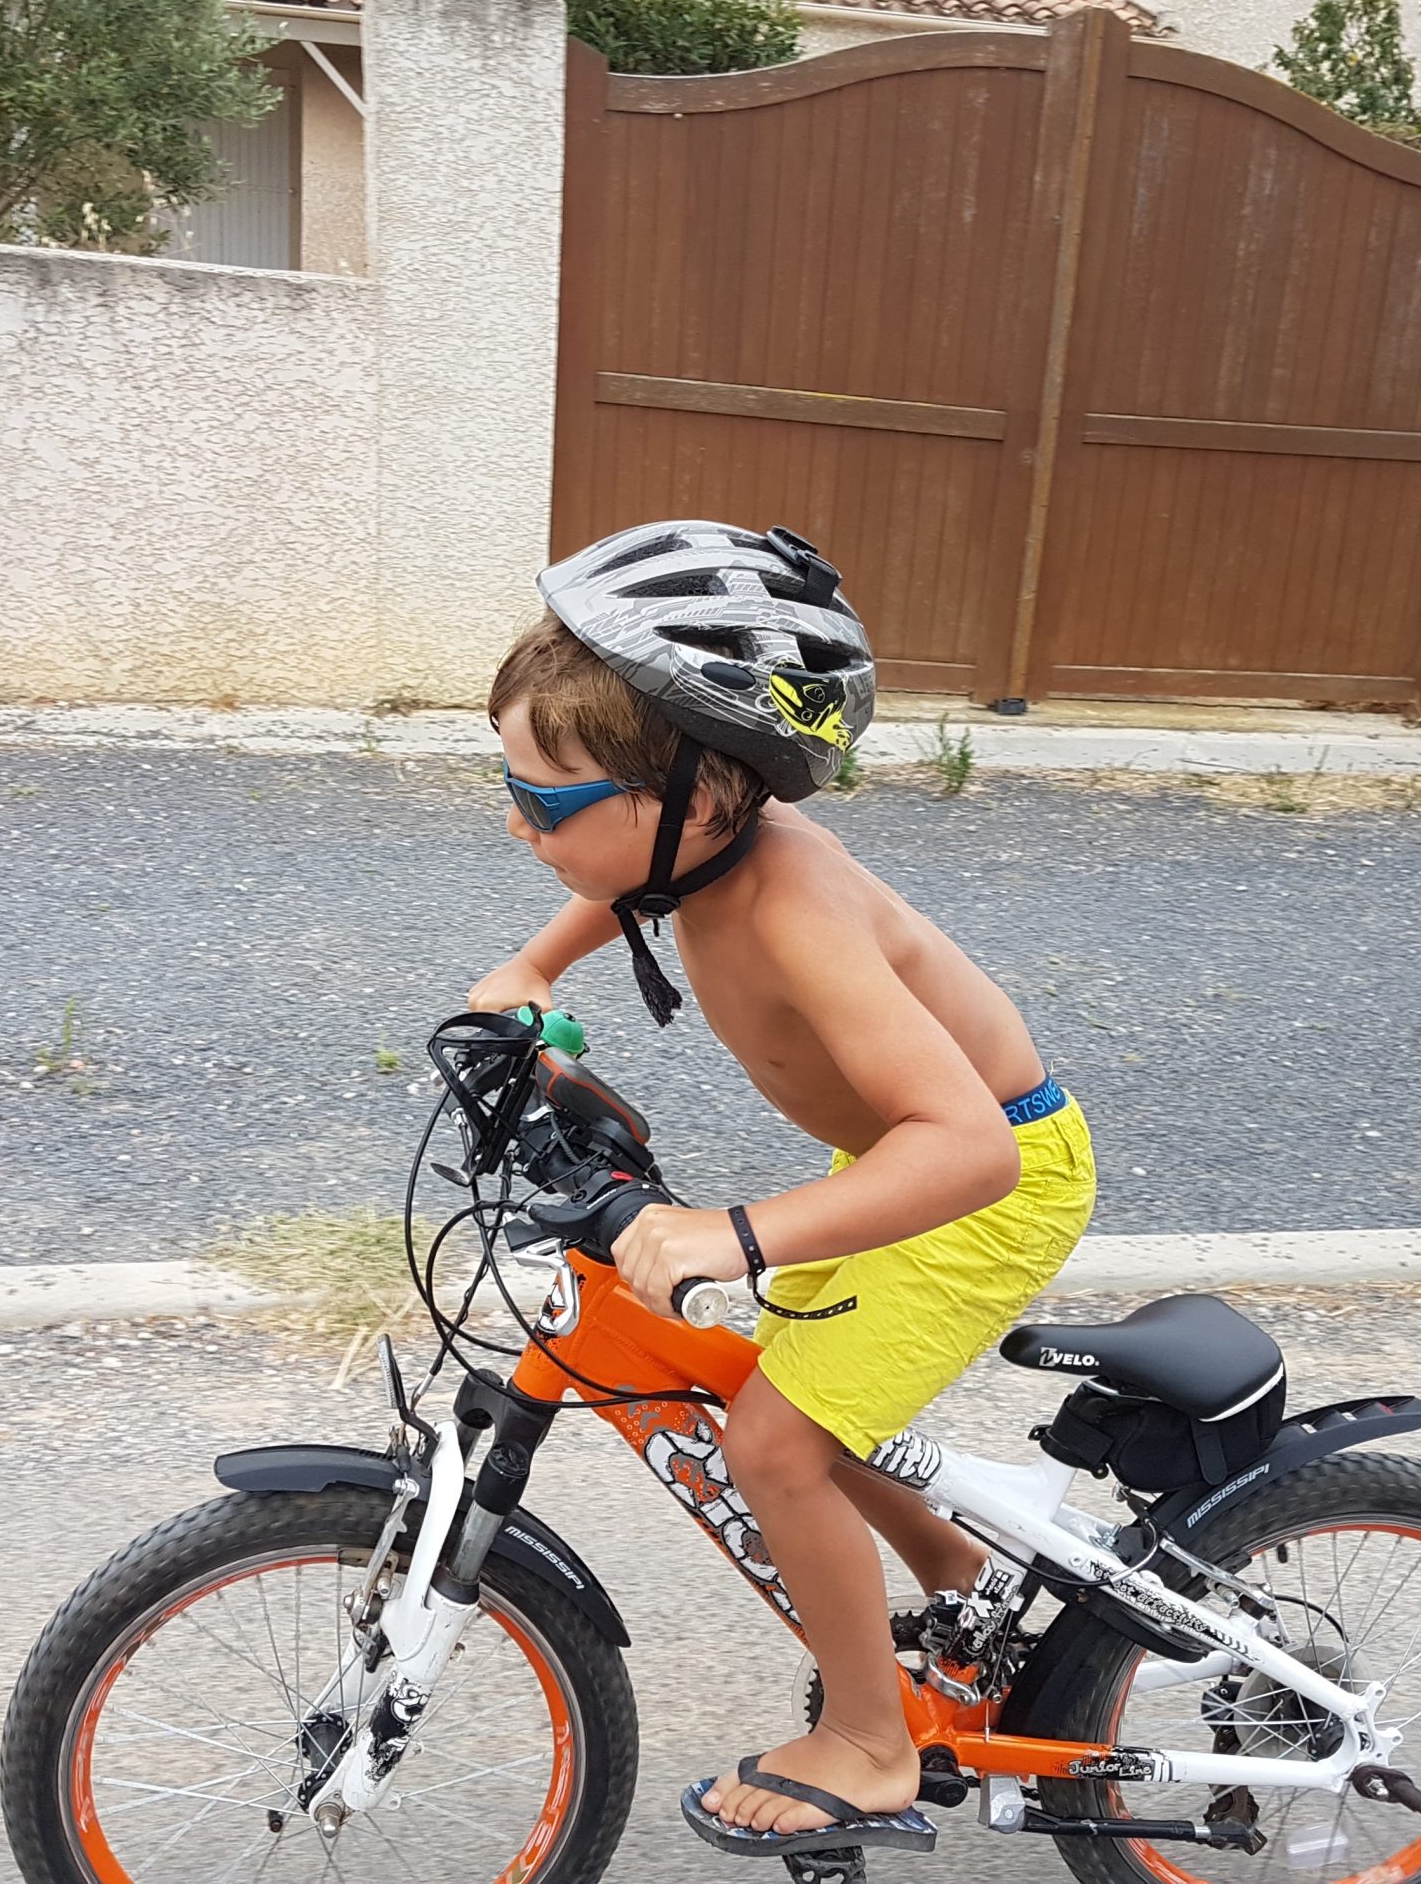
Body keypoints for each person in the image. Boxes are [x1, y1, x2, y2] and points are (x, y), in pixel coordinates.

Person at [467, 520, 1099, 1862]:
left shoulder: (793, 903)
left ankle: (870, 1743)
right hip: (896, 1160)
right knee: (798, 1385)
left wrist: (732, 1234)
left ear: (698, 797)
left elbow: (970, 1148)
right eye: (509, 789)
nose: (522, 827)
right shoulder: (689, 848)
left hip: (988, 1175)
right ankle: (956, 1577)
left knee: (773, 1441)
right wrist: (529, 977)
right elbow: (616, 892)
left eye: (550, 805)